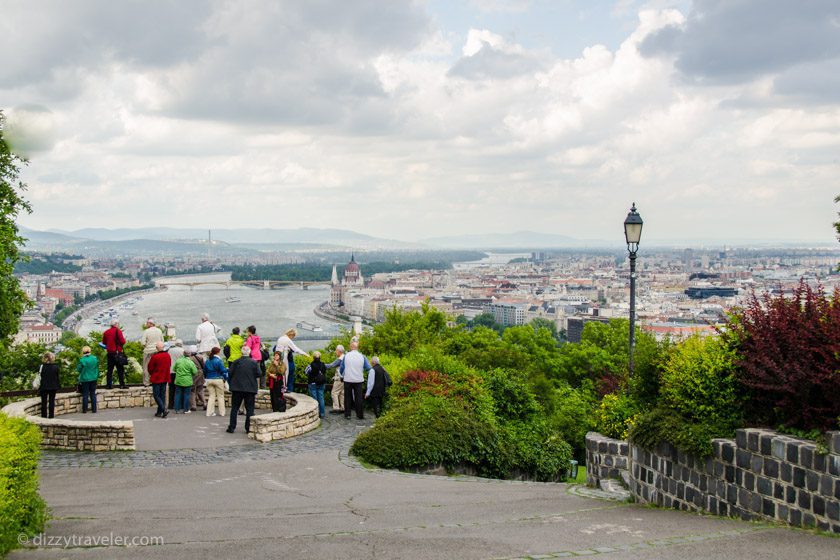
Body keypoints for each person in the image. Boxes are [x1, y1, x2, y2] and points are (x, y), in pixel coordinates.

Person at [226, 345, 261, 434]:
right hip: (250, 389)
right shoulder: (253, 363)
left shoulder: (236, 362)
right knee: (250, 409)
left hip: (237, 388)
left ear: (241, 352)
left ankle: (232, 427)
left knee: (234, 408)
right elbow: (259, 373)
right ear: (249, 352)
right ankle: (248, 428)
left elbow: (230, 373)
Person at [340, 340, 371, 420]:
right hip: (358, 380)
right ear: (357, 347)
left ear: (351, 347)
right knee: (359, 398)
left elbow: (342, 368)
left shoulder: (346, 356)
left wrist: (342, 375)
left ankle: (347, 415)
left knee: (347, 398)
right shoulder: (362, 356)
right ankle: (359, 414)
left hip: (348, 379)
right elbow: (368, 368)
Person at [275, 328, 309, 393]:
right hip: (284, 359)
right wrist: (305, 354)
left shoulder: (280, 338)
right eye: (293, 336)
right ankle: (284, 388)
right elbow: (296, 349)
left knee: (279, 373)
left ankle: (279, 388)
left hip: (277, 358)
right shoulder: (288, 340)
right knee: (285, 374)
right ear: (291, 335)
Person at [147, 341, 171, 418]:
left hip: (157, 378)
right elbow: (169, 365)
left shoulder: (155, 357)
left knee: (156, 395)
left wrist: (152, 374)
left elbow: (150, 368)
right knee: (162, 395)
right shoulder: (168, 355)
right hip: (165, 377)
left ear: (157, 348)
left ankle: (163, 410)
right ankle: (159, 412)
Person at [101, 318, 127, 389]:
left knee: (110, 370)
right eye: (118, 324)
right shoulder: (118, 331)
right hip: (117, 353)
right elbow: (123, 341)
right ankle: (122, 384)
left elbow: (104, 342)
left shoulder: (106, 332)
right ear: (116, 324)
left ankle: (109, 385)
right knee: (120, 369)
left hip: (110, 353)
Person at [203, 346, 228, 417]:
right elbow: (223, 370)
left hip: (209, 379)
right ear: (218, 352)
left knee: (211, 396)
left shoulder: (207, 360)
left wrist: (206, 378)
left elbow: (204, 371)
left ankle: (209, 413)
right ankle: (222, 412)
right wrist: (227, 370)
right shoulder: (219, 361)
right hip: (218, 379)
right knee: (220, 396)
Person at [140, 318, 164, 386]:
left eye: (147, 323)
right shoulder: (159, 331)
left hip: (148, 351)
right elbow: (162, 341)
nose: (146, 324)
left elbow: (142, 343)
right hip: (157, 351)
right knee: (156, 367)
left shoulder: (146, 331)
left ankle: (147, 382)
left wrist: (146, 346)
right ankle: (156, 381)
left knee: (146, 367)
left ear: (150, 324)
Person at [173, 349, 198, 414]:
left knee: (177, 395)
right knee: (186, 395)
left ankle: (177, 409)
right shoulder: (190, 362)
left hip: (178, 380)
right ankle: (186, 409)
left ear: (183, 354)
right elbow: (195, 372)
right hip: (187, 381)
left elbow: (174, 369)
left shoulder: (178, 361)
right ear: (189, 355)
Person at [76, 346, 99, 414]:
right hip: (94, 378)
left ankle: (84, 410)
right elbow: (97, 367)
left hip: (85, 379)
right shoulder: (94, 358)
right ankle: (94, 409)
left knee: (85, 394)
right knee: (93, 394)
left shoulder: (82, 360)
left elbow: (79, 369)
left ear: (83, 351)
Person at [306, 351, 328, 418]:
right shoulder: (323, 364)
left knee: (314, 399)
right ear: (320, 357)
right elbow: (324, 371)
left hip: (313, 383)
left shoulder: (310, 365)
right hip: (321, 383)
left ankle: (315, 414)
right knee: (321, 398)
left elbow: (306, 372)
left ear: (313, 357)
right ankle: (322, 414)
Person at [38, 352, 60, 418]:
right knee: (51, 401)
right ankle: (51, 416)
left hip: (43, 386)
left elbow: (40, 376)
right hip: (53, 386)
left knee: (44, 402)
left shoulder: (41, 367)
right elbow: (57, 377)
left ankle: (44, 416)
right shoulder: (56, 367)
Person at [325, 345, 345, 414]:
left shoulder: (339, 359)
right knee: (342, 393)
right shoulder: (345, 358)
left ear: (339, 351)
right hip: (344, 379)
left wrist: (321, 365)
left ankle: (336, 408)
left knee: (334, 393)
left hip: (339, 378)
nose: (335, 352)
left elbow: (331, 365)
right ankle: (343, 408)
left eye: (336, 351)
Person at [187, 345, 206, 411]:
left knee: (192, 391)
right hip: (200, 374)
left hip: (193, 375)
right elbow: (204, 366)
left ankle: (193, 406)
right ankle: (204, 403)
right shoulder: (200, 357)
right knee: (200, 390)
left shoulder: (189, 359)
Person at [168, 339, 184, 409]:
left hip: (171, 371)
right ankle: (179, 405)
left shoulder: (170, 350)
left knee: (171, 389)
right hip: (179, 372)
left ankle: (170, 405)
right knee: (179, 389)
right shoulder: (182, 351)